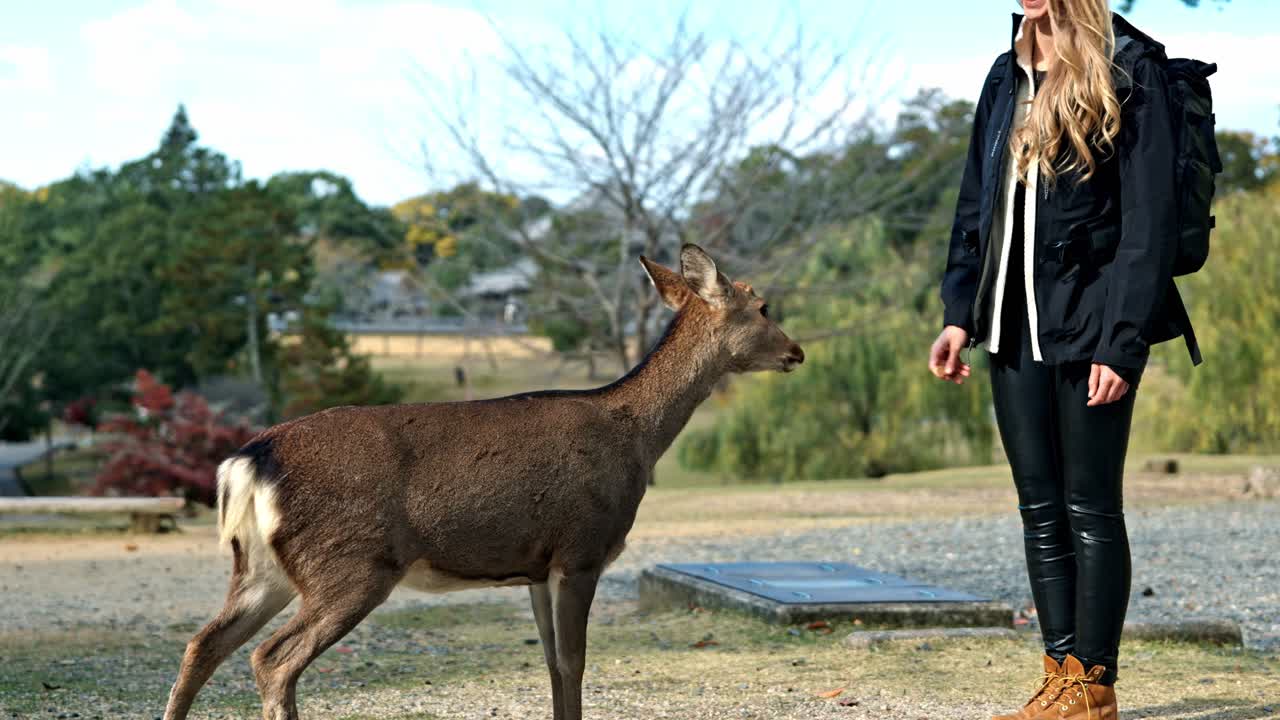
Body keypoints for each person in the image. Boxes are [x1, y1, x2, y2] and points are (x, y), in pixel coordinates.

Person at [928, 1, 1200, 718]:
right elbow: (973, 206)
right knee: (1038, 510)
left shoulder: (1128, 68)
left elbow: (1149, 221)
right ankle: (1059, 674)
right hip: (1010, 329)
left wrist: (1123, 338)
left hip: (1091, 325)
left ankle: (1095, 681)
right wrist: (960, 314)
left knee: (1091, 509)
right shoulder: (1004, 76)